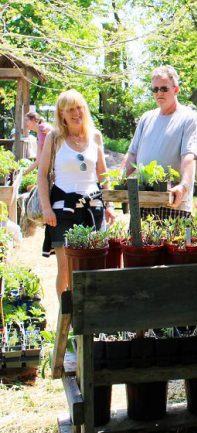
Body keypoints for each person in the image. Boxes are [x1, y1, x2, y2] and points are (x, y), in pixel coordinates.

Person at [37, 89, 115, 297]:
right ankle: (67, 321)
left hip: (93, 209)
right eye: (70, 109)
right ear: (61, 114)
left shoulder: (95, 136)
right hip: (62, 210)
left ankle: (89, 320)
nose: (76, 113)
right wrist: (46, 208)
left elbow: (103, 175)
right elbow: (42, 174)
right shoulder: (54, 138)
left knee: (93, 266)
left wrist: (109, 205)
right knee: (66, 270)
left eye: (79, 107)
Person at [125, 65, 197, 219]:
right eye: (155, 89)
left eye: (164, 89)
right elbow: (132, 154)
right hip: (143, 201)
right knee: (136, 243)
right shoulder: (146, 118)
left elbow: (188, 158)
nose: (159, 93)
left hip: (174, 202)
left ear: (176, 90)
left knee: (173, 243)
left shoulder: (189, 118)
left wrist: (184, 186)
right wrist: (119, 179)